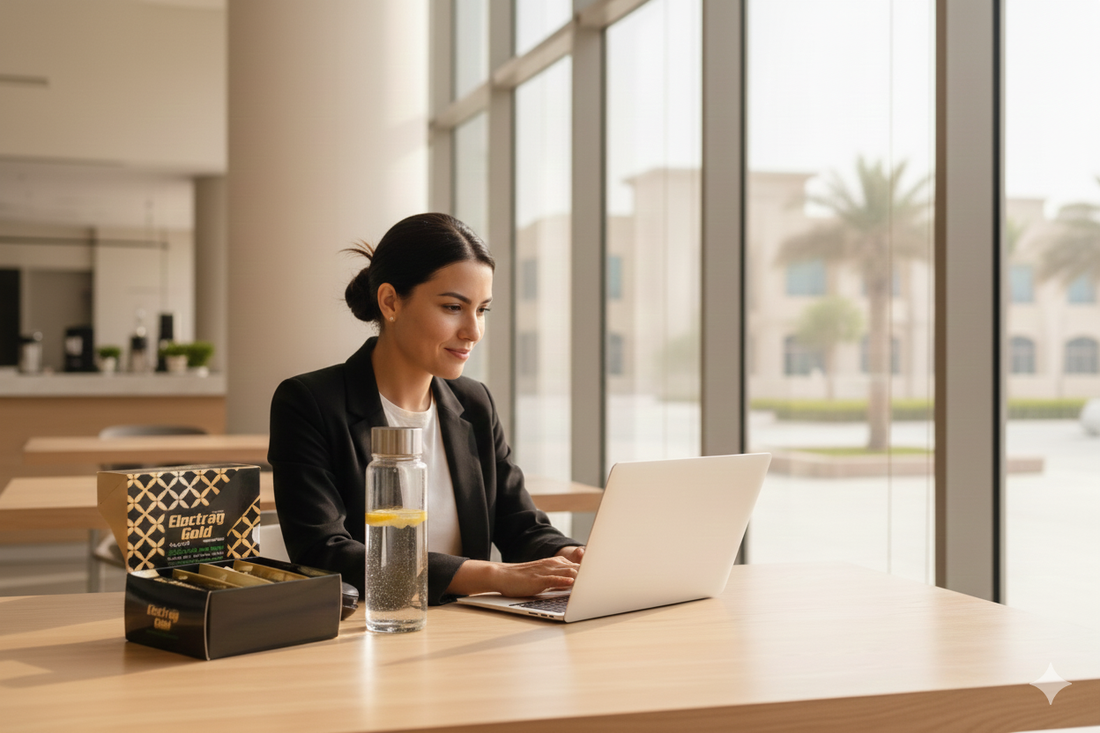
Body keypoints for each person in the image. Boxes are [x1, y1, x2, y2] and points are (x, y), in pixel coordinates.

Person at [268, 213, 585, 606]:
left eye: (482, 310)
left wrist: (572, 556)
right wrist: (492, 575)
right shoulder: (309, 403)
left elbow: (520, 525)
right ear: (390, 302)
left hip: (466, 630)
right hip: (372, 628)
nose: (473, 331)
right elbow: (324, 552)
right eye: (453, 307)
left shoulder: (474, 402)